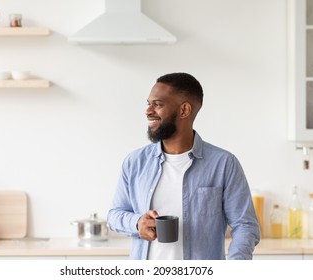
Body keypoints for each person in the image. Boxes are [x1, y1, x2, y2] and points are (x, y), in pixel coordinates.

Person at [107, 72, 260, 260]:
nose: (148, 111)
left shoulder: (223, 164)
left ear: (184, 110)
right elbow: (114, 215)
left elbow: (245, 225)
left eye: (158, 104)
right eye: (148, 104)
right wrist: (137, 222)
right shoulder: (135, 162)